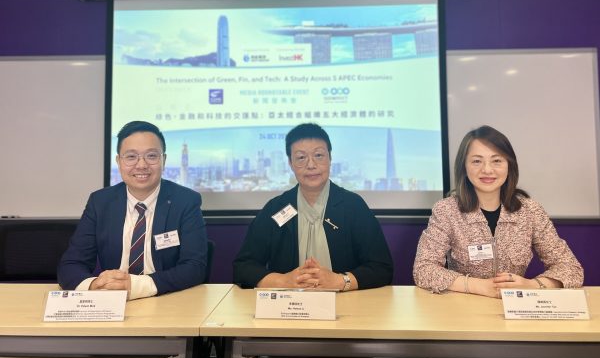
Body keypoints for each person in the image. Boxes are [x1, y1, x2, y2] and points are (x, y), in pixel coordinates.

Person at [413, 125, 583, 297]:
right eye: (477, 161)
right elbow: (423, 269)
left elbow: (571, 269)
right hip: (464, 309)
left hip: (515, 309)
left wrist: (532, 285)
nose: (487, 170)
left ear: (509, 165)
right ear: (464, 167)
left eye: (497, 161)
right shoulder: (447, 210)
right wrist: (477, 286)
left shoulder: (530, 211)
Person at [58, 120, 208, 300]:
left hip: (165, 299)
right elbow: (71, 264)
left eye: (151, 156)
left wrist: (136, 286)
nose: (141, 165)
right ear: (118, 161)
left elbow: (194, 267)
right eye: (131, 157)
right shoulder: (100, 202)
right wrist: (92, 285)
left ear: (164, 160)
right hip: (113, 301)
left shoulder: (185, 201)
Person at [233, 123, 393, 291]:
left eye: (318, 155)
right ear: (290, 163)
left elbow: (382, 268)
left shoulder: (353, 206)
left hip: (345, 306)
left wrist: (340, 281)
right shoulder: (277, 208)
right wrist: (283, 281)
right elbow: (243, 267)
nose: (311, 165)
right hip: (287, 308)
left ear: (330, 158)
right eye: (301, 157)